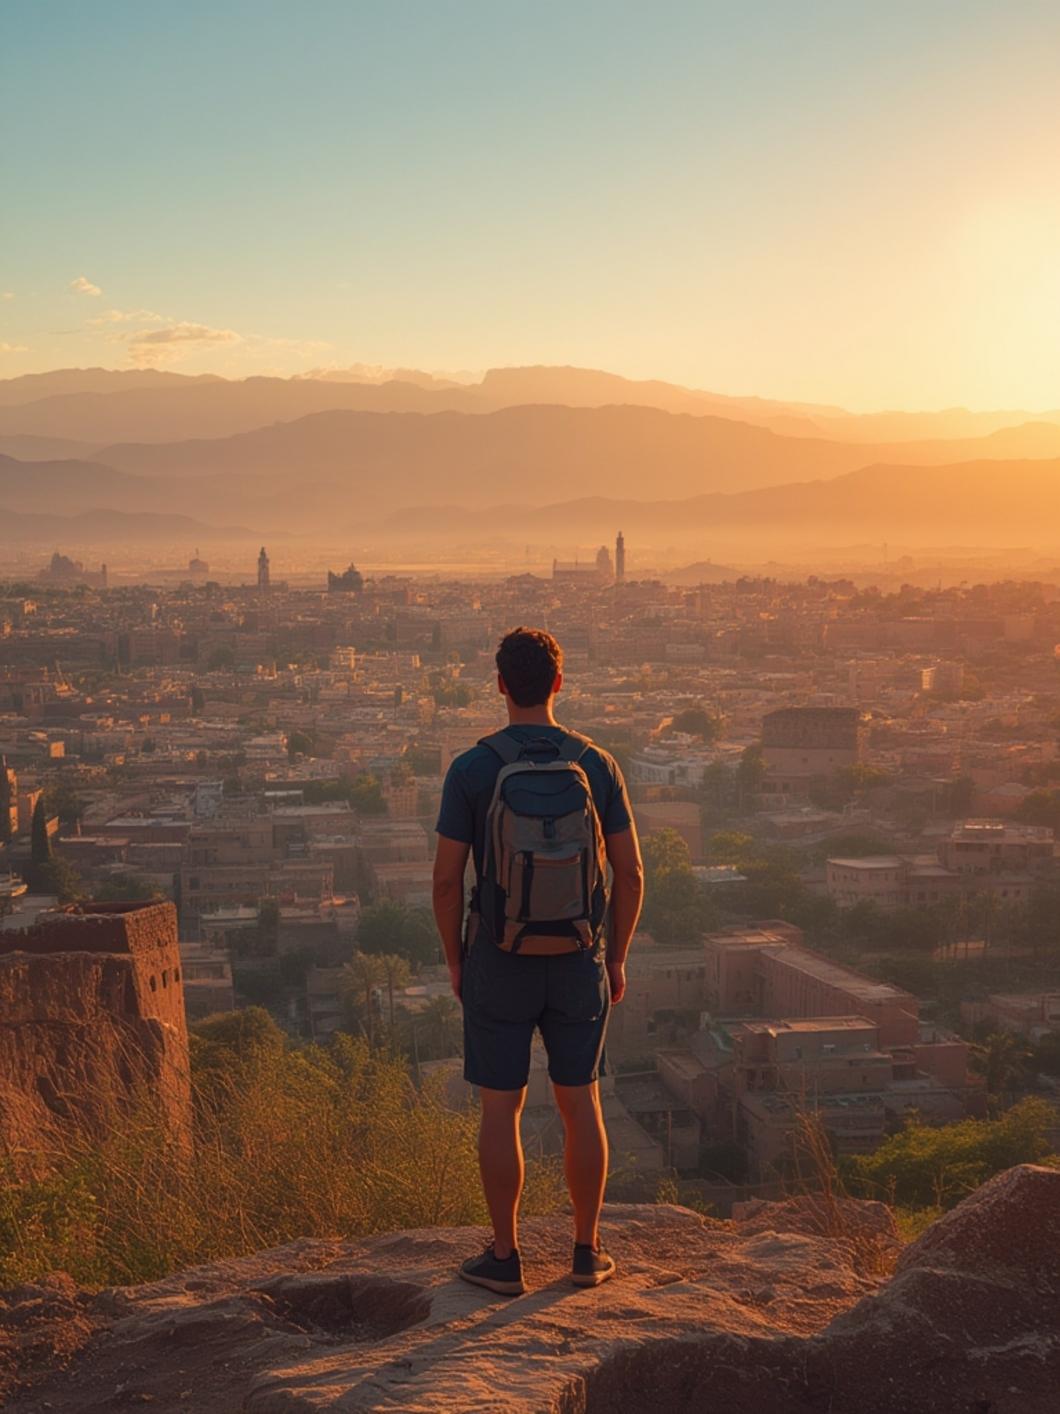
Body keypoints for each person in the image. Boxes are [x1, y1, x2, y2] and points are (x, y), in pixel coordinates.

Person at [432, 626, 644, 1296]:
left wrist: (457, 959)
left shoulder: (472, 769)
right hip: (579, 954)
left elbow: (444, 881)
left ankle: (505, 1257)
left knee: (501, 1109)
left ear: (500, 685)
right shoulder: (597, 763)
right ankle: (585, 1253)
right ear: (559, 682)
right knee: (581, 1103)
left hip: (498, 955)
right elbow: (632, 872)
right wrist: (617, 956)